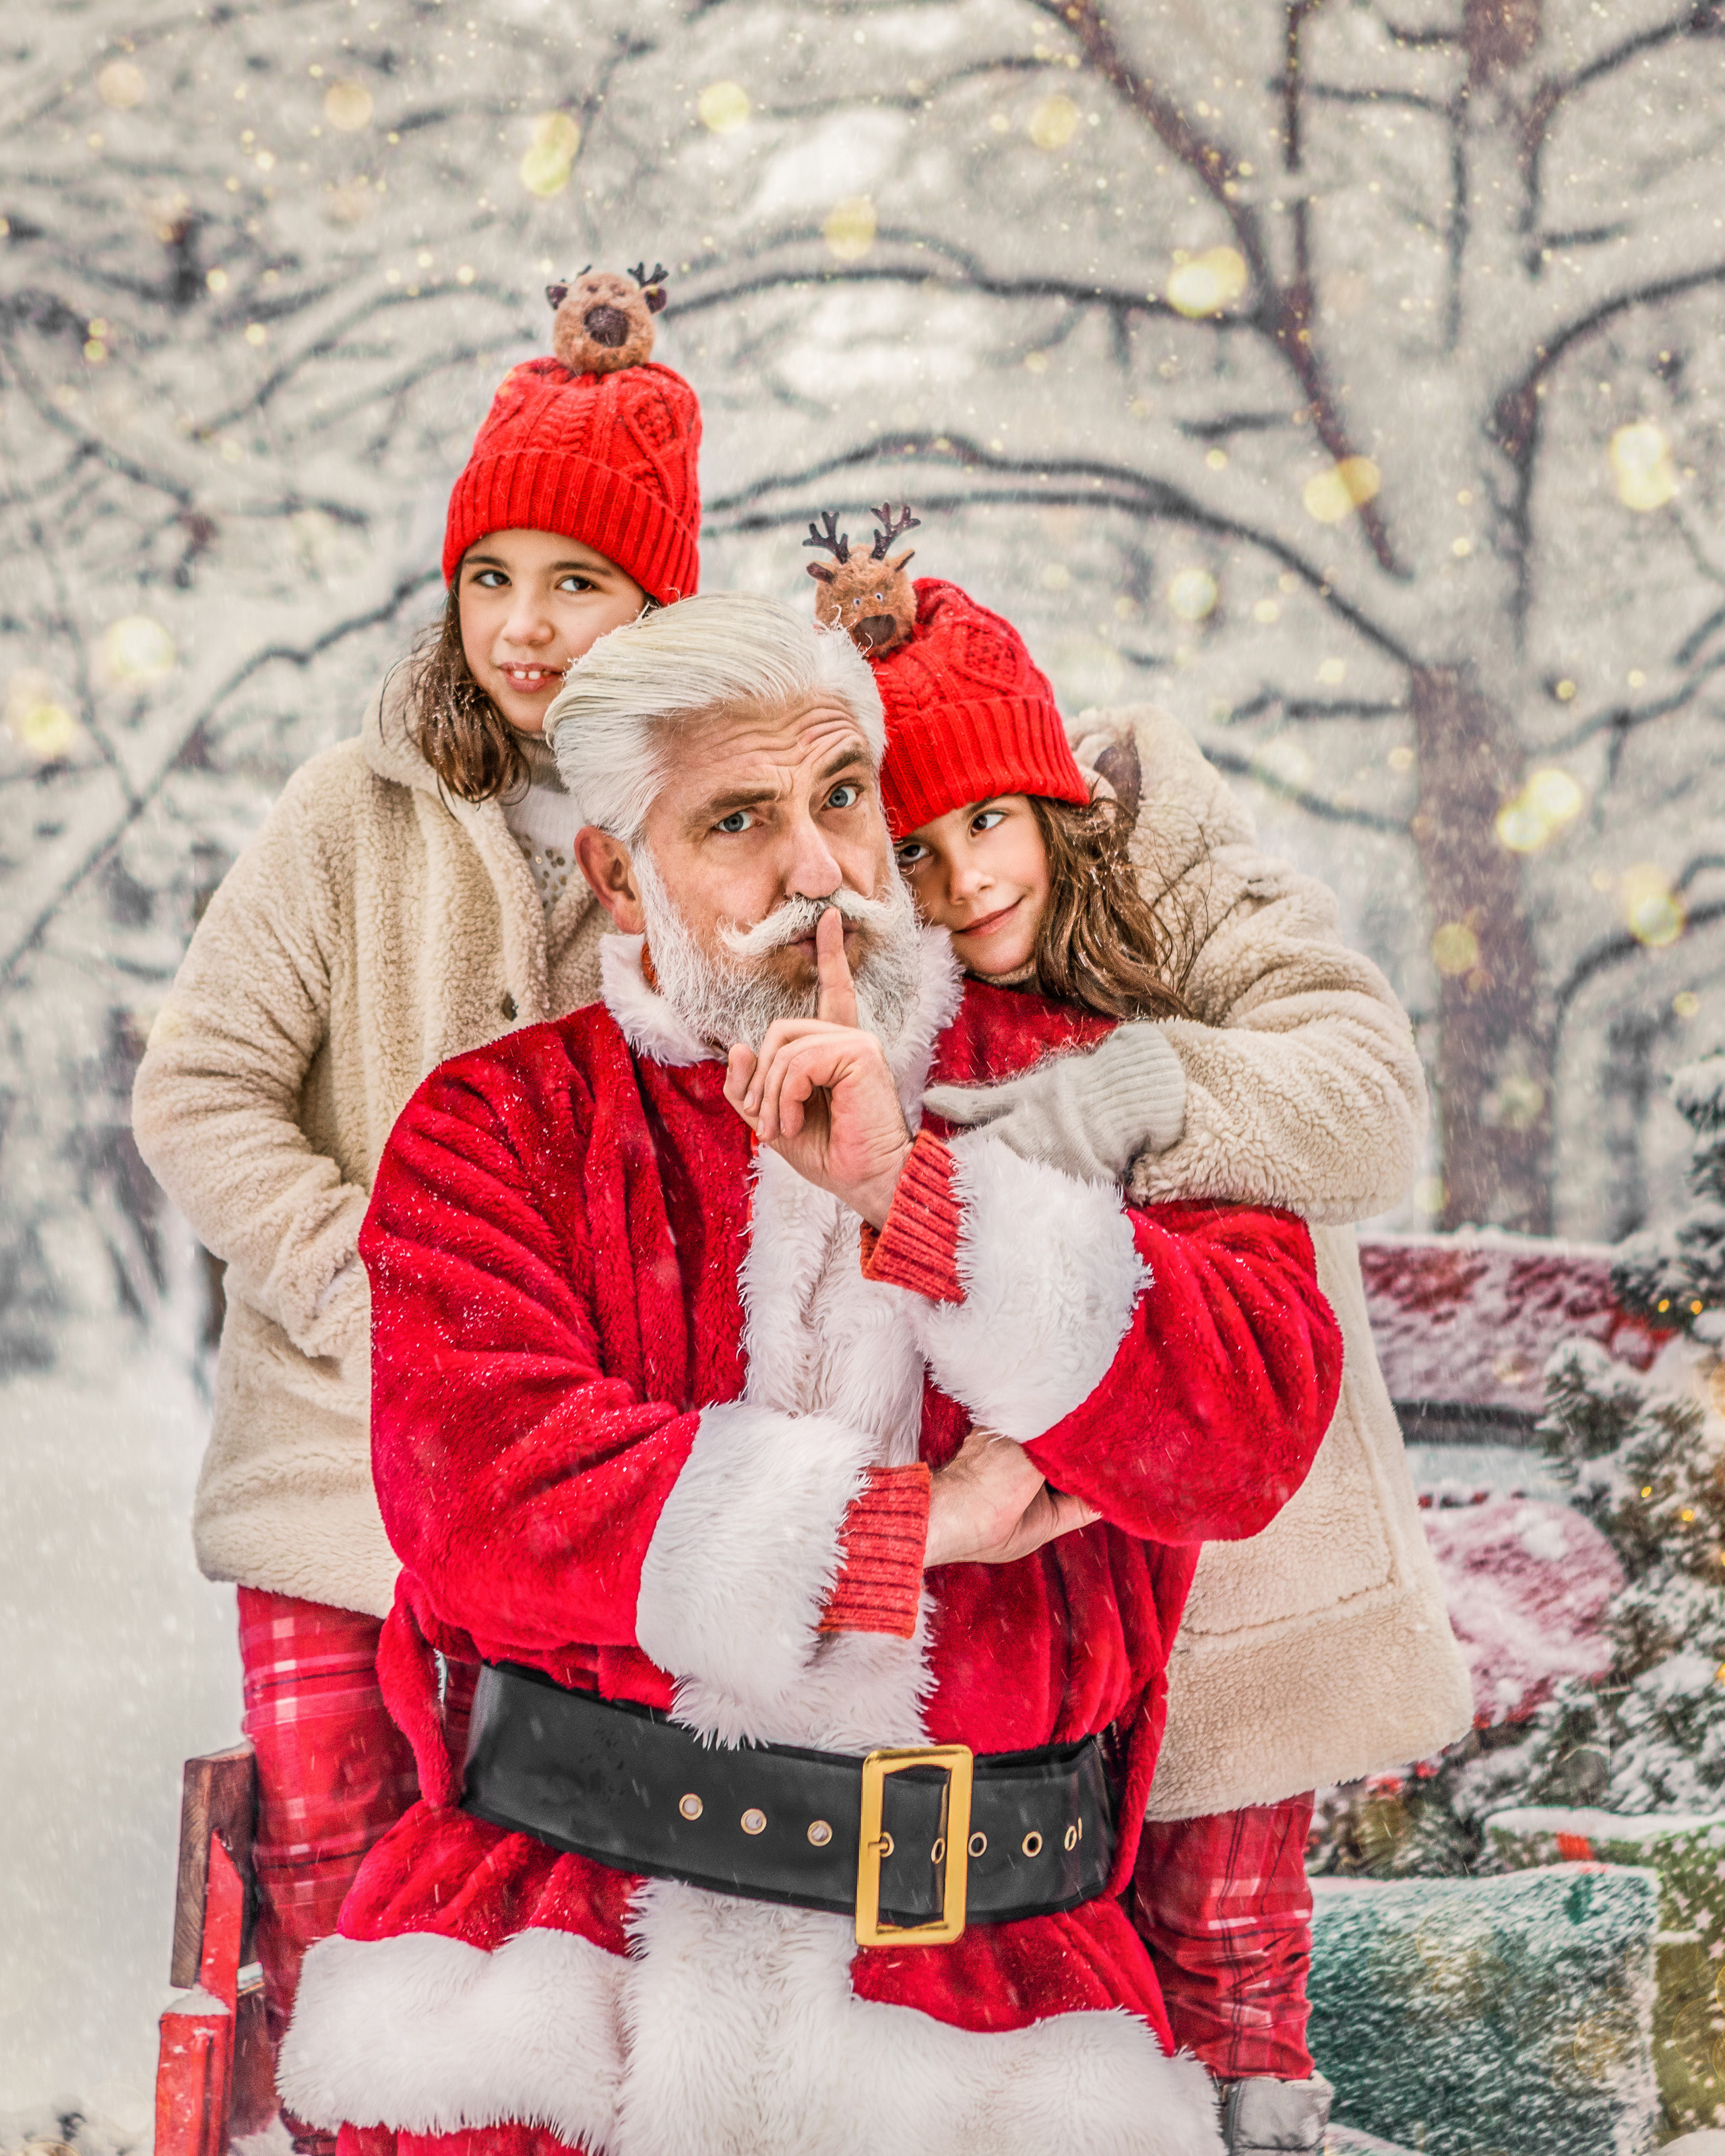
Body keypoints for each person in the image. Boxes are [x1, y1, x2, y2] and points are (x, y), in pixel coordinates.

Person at [274, 591, 1344, 2156]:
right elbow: (482, 1492)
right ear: (615, 876)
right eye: (736, 822)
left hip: (996, 2019)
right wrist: (905, 1527)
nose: (821, 870)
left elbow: (1246, 1427)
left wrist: (917, 1194)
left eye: (841, 795)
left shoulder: (1101, 1092)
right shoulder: (499, 1126)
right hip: (550, 1982)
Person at [129, 270, 700, 2134]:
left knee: (562, 1927)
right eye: (491, 577)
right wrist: (370, 1290)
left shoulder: (699, 831)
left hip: (586, 1504)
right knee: (343, 1900)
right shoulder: (349, 816)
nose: (523, 627)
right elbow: (198, 1090)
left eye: (578, 583)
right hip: (340, 1474)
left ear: (658, 606)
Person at [858, 571, 1473, 2156]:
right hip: (1032, 1560)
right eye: (914, 851)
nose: (963, 882)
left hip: (1224, 1496)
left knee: (1229, 1956)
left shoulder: (1156, 853)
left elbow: (1367, 1099)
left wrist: (1147, 1092)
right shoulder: (879, 972)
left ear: (1047, 794)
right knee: (1083, 1994)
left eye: (988, 822)